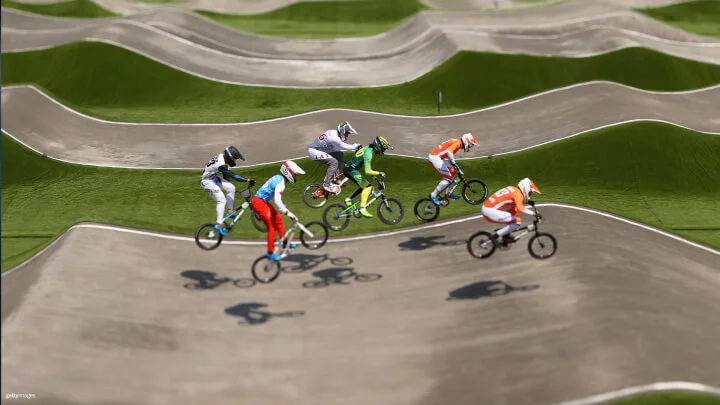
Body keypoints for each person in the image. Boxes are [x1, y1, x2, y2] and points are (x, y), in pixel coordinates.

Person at [251, 160, 306, 261]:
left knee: (278, 219)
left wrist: (283, 208)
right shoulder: (281, 183)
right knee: (271, 227)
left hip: (261, 201)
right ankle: (270, 252)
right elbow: (277, 200)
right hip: (259, 203)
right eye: (294, 174)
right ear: (289, 172)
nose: (295, 177)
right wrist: (287, 212)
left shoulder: (278, 177)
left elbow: (270, 193)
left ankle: (285, 243)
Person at [201, 145, 255, 236]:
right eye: (235, 159)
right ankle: (219, 225)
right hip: (207, 182)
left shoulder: (222, 158)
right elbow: (233, 175)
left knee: (231, 188)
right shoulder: (221, 163)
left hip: (213, 179)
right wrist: (247, 180)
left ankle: (229, 211)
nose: (235, 161)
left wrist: (228, 186)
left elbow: (227, 176)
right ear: (229, 157)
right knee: (221, 200)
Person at [481, 177, 542, 246]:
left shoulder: (514, 189)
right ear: (526, 189)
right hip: (489, 211)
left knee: (514, 212)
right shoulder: (518, 195)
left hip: (488, 208)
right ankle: (494, 237)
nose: (529, 195)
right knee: (517, 221)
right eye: (530, 193)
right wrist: (534, 214)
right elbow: (521, 208)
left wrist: (528, 202)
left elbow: (515, 203)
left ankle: (505, 235)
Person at [342, 136, 392, 218]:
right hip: (351, 170)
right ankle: (362, 208)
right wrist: (379, 173)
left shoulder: (367, 148)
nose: (383, 152)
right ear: (378, 146)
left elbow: (364, 164)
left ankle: (348, 200)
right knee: (368, 187)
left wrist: (374, 176)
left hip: (349, 168)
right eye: (383, 149)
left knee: (364, 186)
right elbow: (367, 171)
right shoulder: (369, 153)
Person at [307, 121, 361, 195]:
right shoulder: (334, 138)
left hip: (321, 149)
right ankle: (326, 184)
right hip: (314, 151)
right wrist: (356, 145)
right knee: (333, 162)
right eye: (347, 133)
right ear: (343, 131)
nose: (347, 136)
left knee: (339, 154)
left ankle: (335, 178)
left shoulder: (333, 132)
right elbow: (345, 146)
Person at [427, 133, 479, 205]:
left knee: (452, 172)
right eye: (471, 144)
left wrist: (453, 164)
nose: (470, 146)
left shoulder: (458, 142)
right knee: (448, 179)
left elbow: (447, 152)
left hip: (438, 158)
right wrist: (454, 163)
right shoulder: (458, 143)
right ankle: (433, 195)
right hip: (435, 158)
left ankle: (448, 194)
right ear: (466, 141)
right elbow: (449, 152)